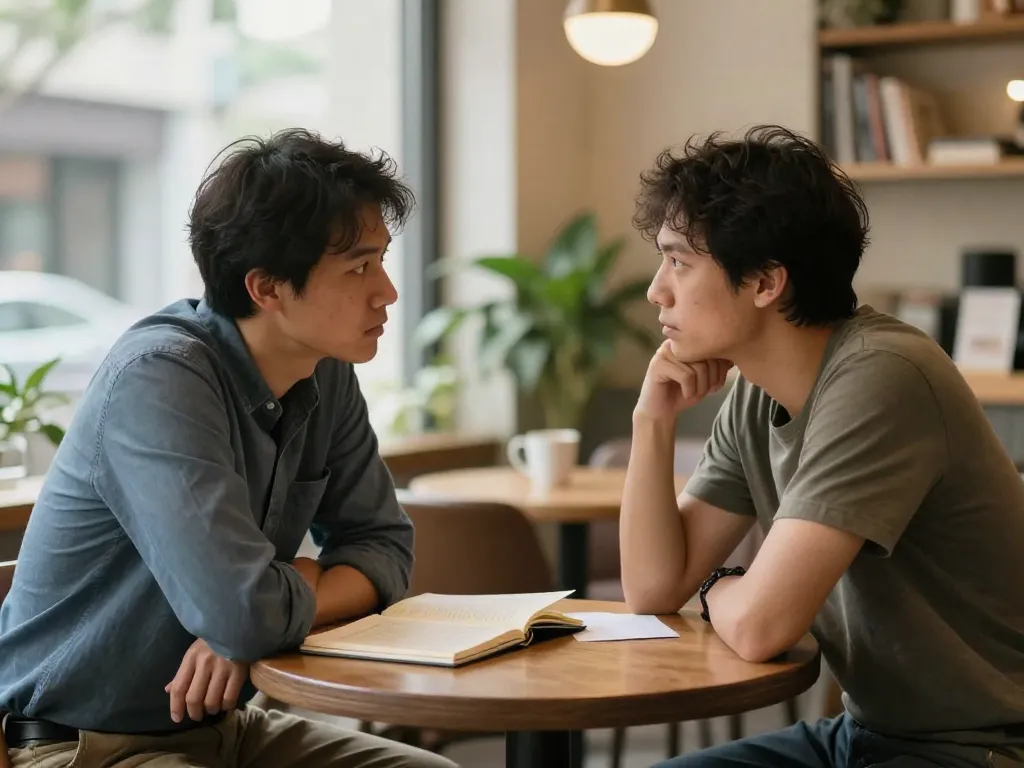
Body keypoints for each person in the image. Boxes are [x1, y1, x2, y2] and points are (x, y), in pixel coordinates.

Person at [0, 128, 458, 768]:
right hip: (76, 745)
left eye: (381, 260)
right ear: (267, 288)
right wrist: (253, 615)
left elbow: (384, 548)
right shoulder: (159, 379)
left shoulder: (322, 369)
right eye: (359, 266)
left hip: (226, 729)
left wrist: (257, 619)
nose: (387, 291)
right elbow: (246, 611)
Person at [621, 124, 1024, 768]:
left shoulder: (882, 376)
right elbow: (650, 590)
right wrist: (652, 420)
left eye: (679, 261)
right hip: (862, 737)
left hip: (983, 748)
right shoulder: (757, 391)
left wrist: (717, 589)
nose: (656, 291)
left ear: (764, 283)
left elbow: (759, 628)